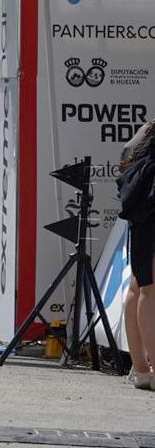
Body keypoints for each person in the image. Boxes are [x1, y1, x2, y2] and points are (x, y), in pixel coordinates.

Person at [118, 120, 155, 389]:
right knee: (149, 290)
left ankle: (141, 369)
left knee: (139, 286)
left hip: (142, 210)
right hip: (150, 210)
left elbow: (126, 157)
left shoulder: (148, 128)